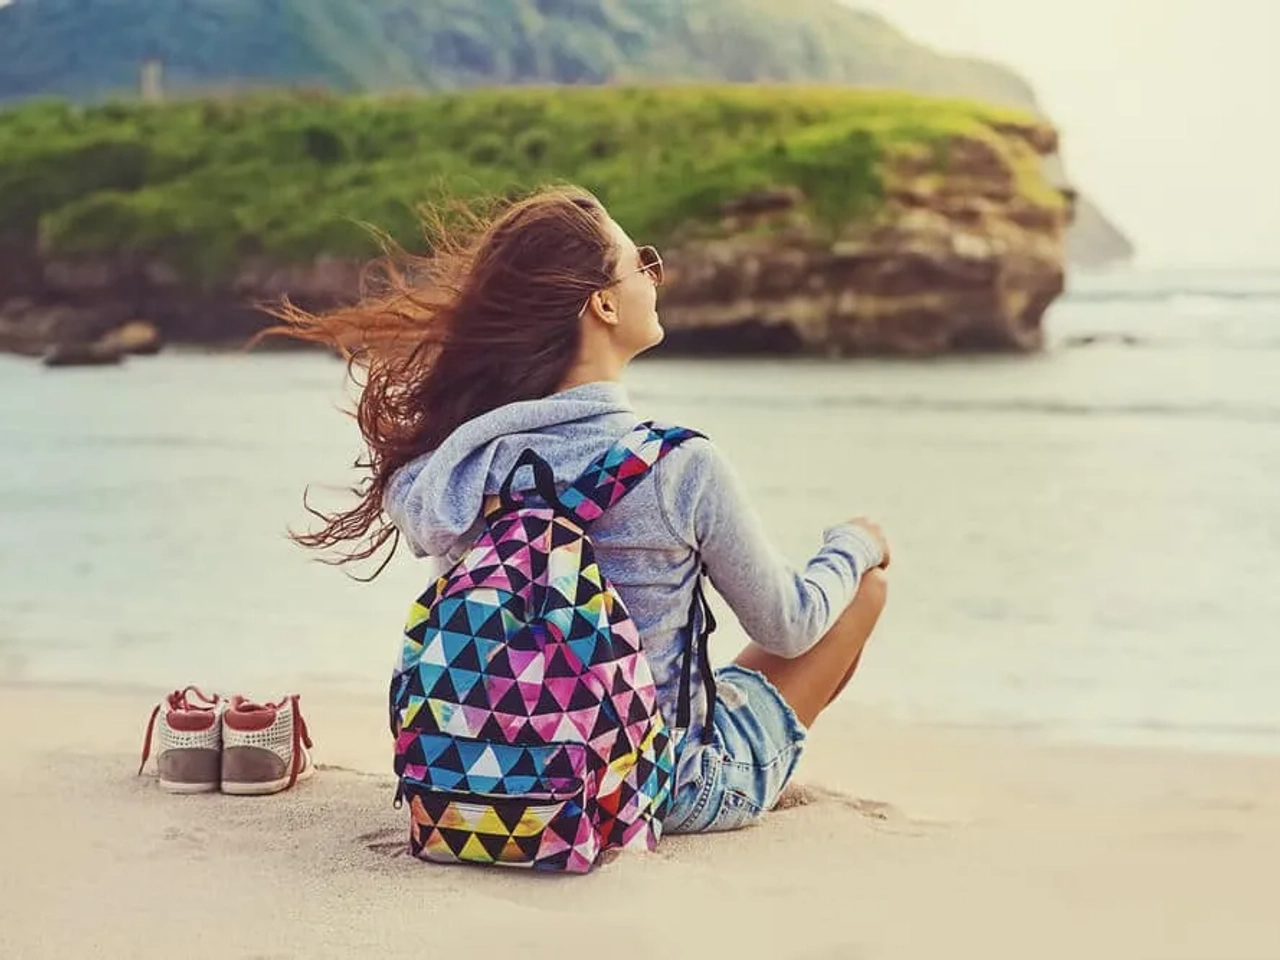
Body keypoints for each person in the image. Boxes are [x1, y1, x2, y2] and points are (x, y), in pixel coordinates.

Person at [266, 184, 890, 835]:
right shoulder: (679, 466)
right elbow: (789, 624)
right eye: (640, 260)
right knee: (862, 591)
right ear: (604, 303)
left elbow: (412, 500)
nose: (655, 273)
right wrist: (853, 543)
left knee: (730, 675)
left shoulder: (465, 465)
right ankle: (761, 768)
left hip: (479, 780)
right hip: (653, 791)